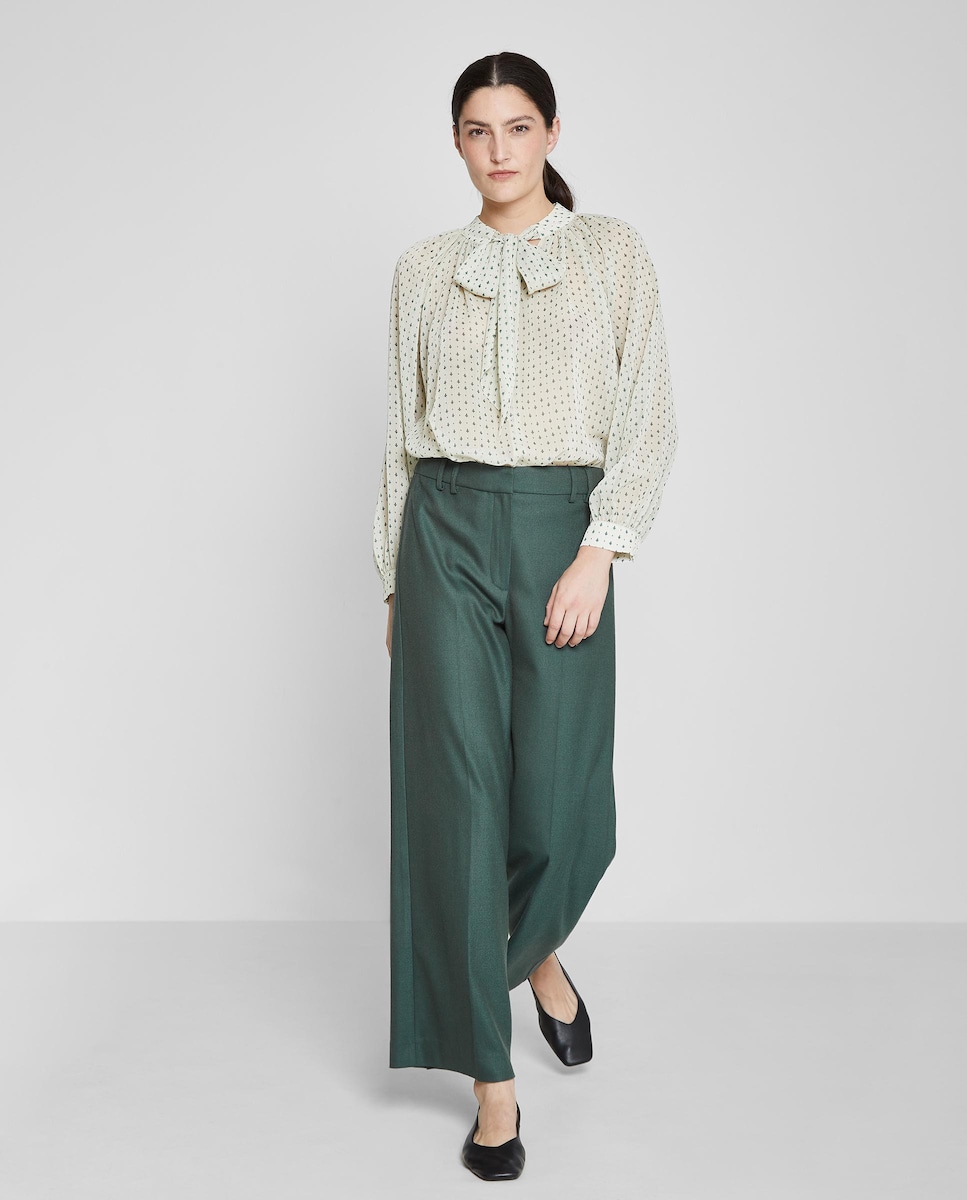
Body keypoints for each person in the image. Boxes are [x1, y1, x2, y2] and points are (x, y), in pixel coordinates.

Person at [371, 50, 678, 1182]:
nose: (496, 149)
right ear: (456, 142)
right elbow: (398, 436)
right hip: (443, 532)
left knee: (559, 804)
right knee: (456, 807)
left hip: (560, 529)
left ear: (550, 132)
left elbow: (647, 412)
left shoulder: (611, 253)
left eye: (515, 126)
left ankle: (536, 952)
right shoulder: (422, 269)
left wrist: (600, 550)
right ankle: (492, 1091)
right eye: (475, 129)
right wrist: (394, 582)